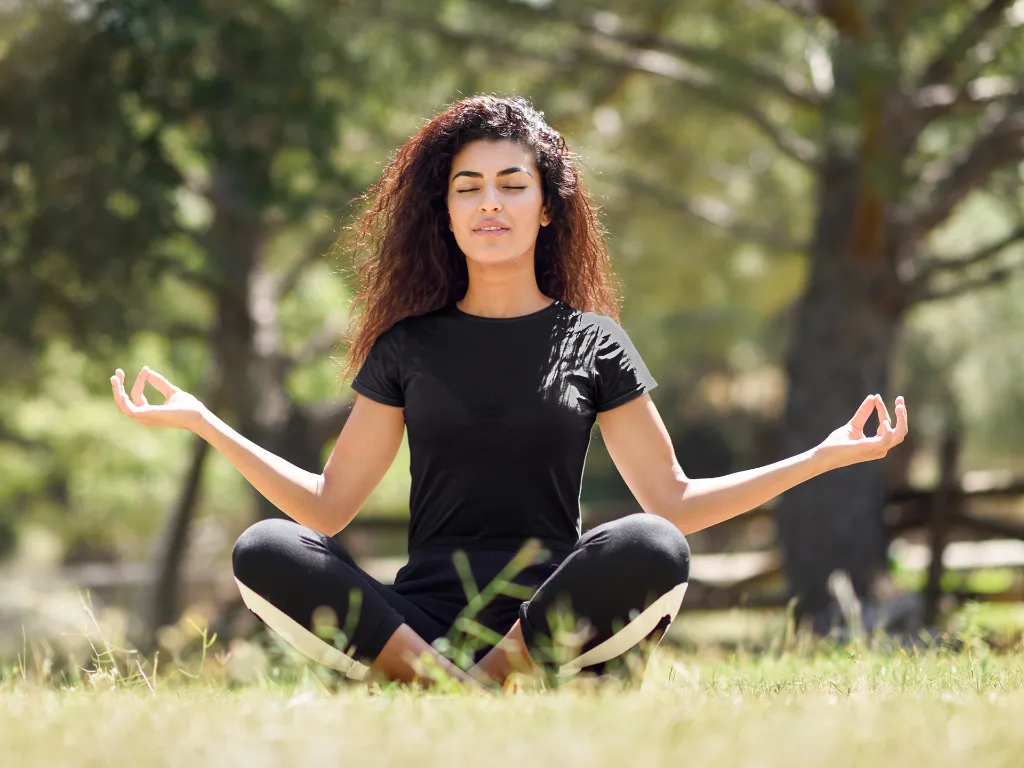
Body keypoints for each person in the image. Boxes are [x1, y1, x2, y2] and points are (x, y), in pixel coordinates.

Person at [110, 95, 908, 690]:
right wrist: (203, 421)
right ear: (446, 214)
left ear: (547, 207)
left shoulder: (595, 343)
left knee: (654, 545)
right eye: (468, 188)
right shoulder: (406, 347)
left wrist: (822, 457)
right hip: (417, 620)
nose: (490, 202)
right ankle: (443, 679)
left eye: (511, 184)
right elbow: (327, 509)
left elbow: (675, 500)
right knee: (268, 547)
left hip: (553, 618)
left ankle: (489, 679)